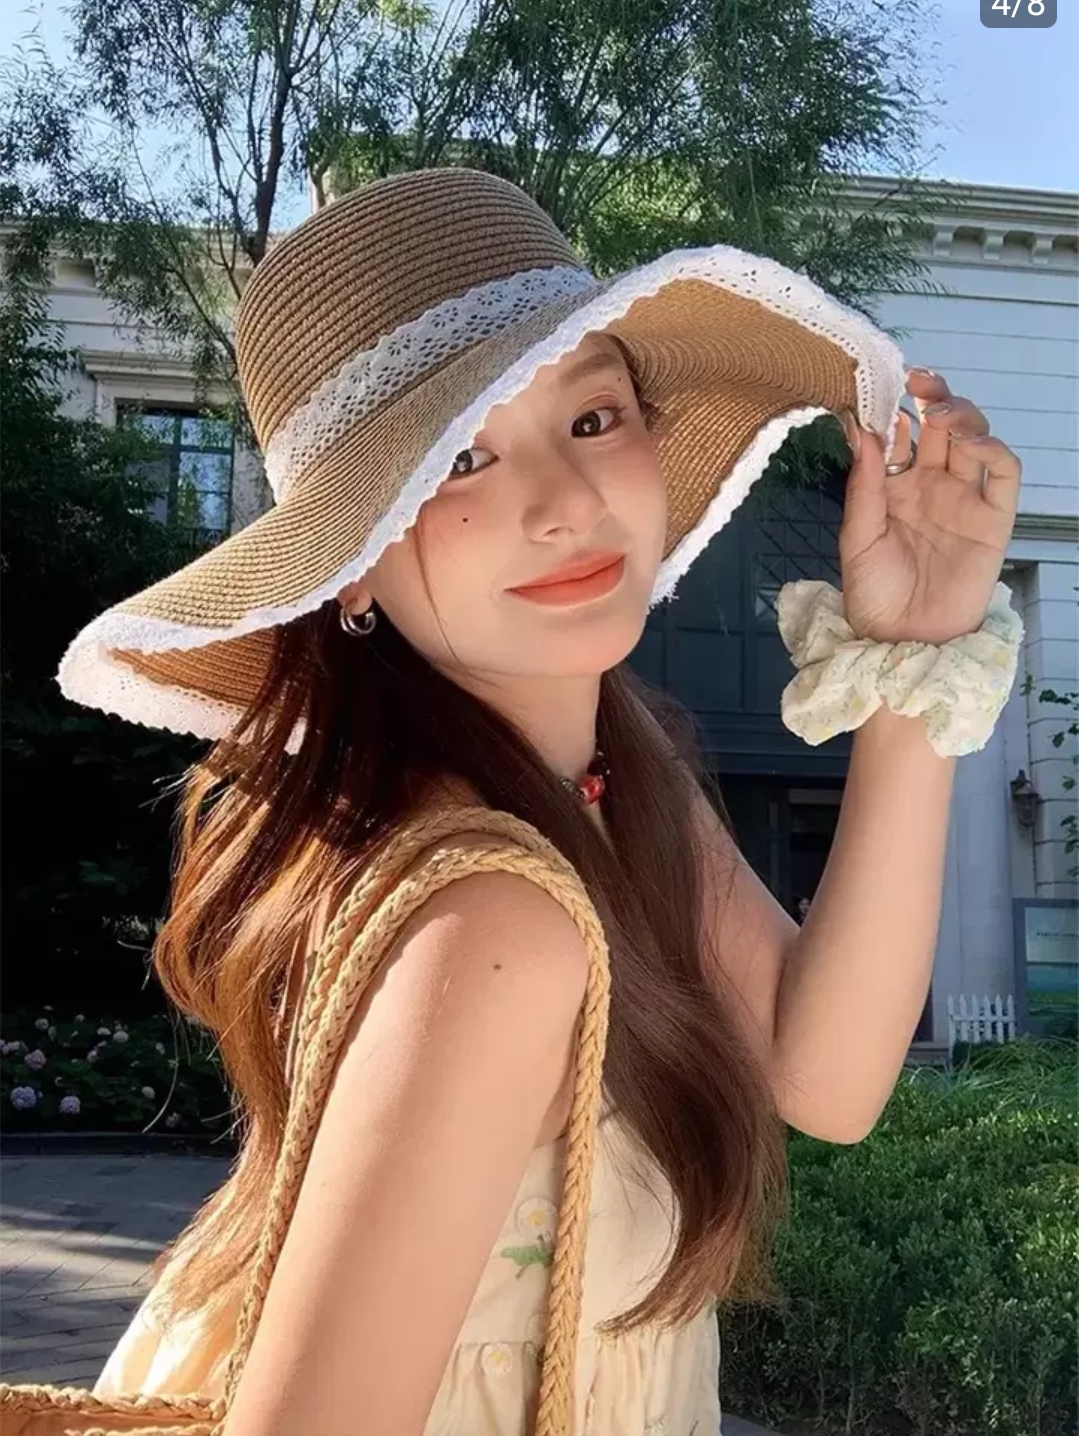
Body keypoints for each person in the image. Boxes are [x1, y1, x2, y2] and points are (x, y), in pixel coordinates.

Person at [65, 169, 1023, 1436]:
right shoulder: (496, 919)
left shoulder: (616, 791)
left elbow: (825, 1074)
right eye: (460, 457)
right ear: (350, 565)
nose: (565, 503)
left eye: (591, 416)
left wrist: (908, 661)